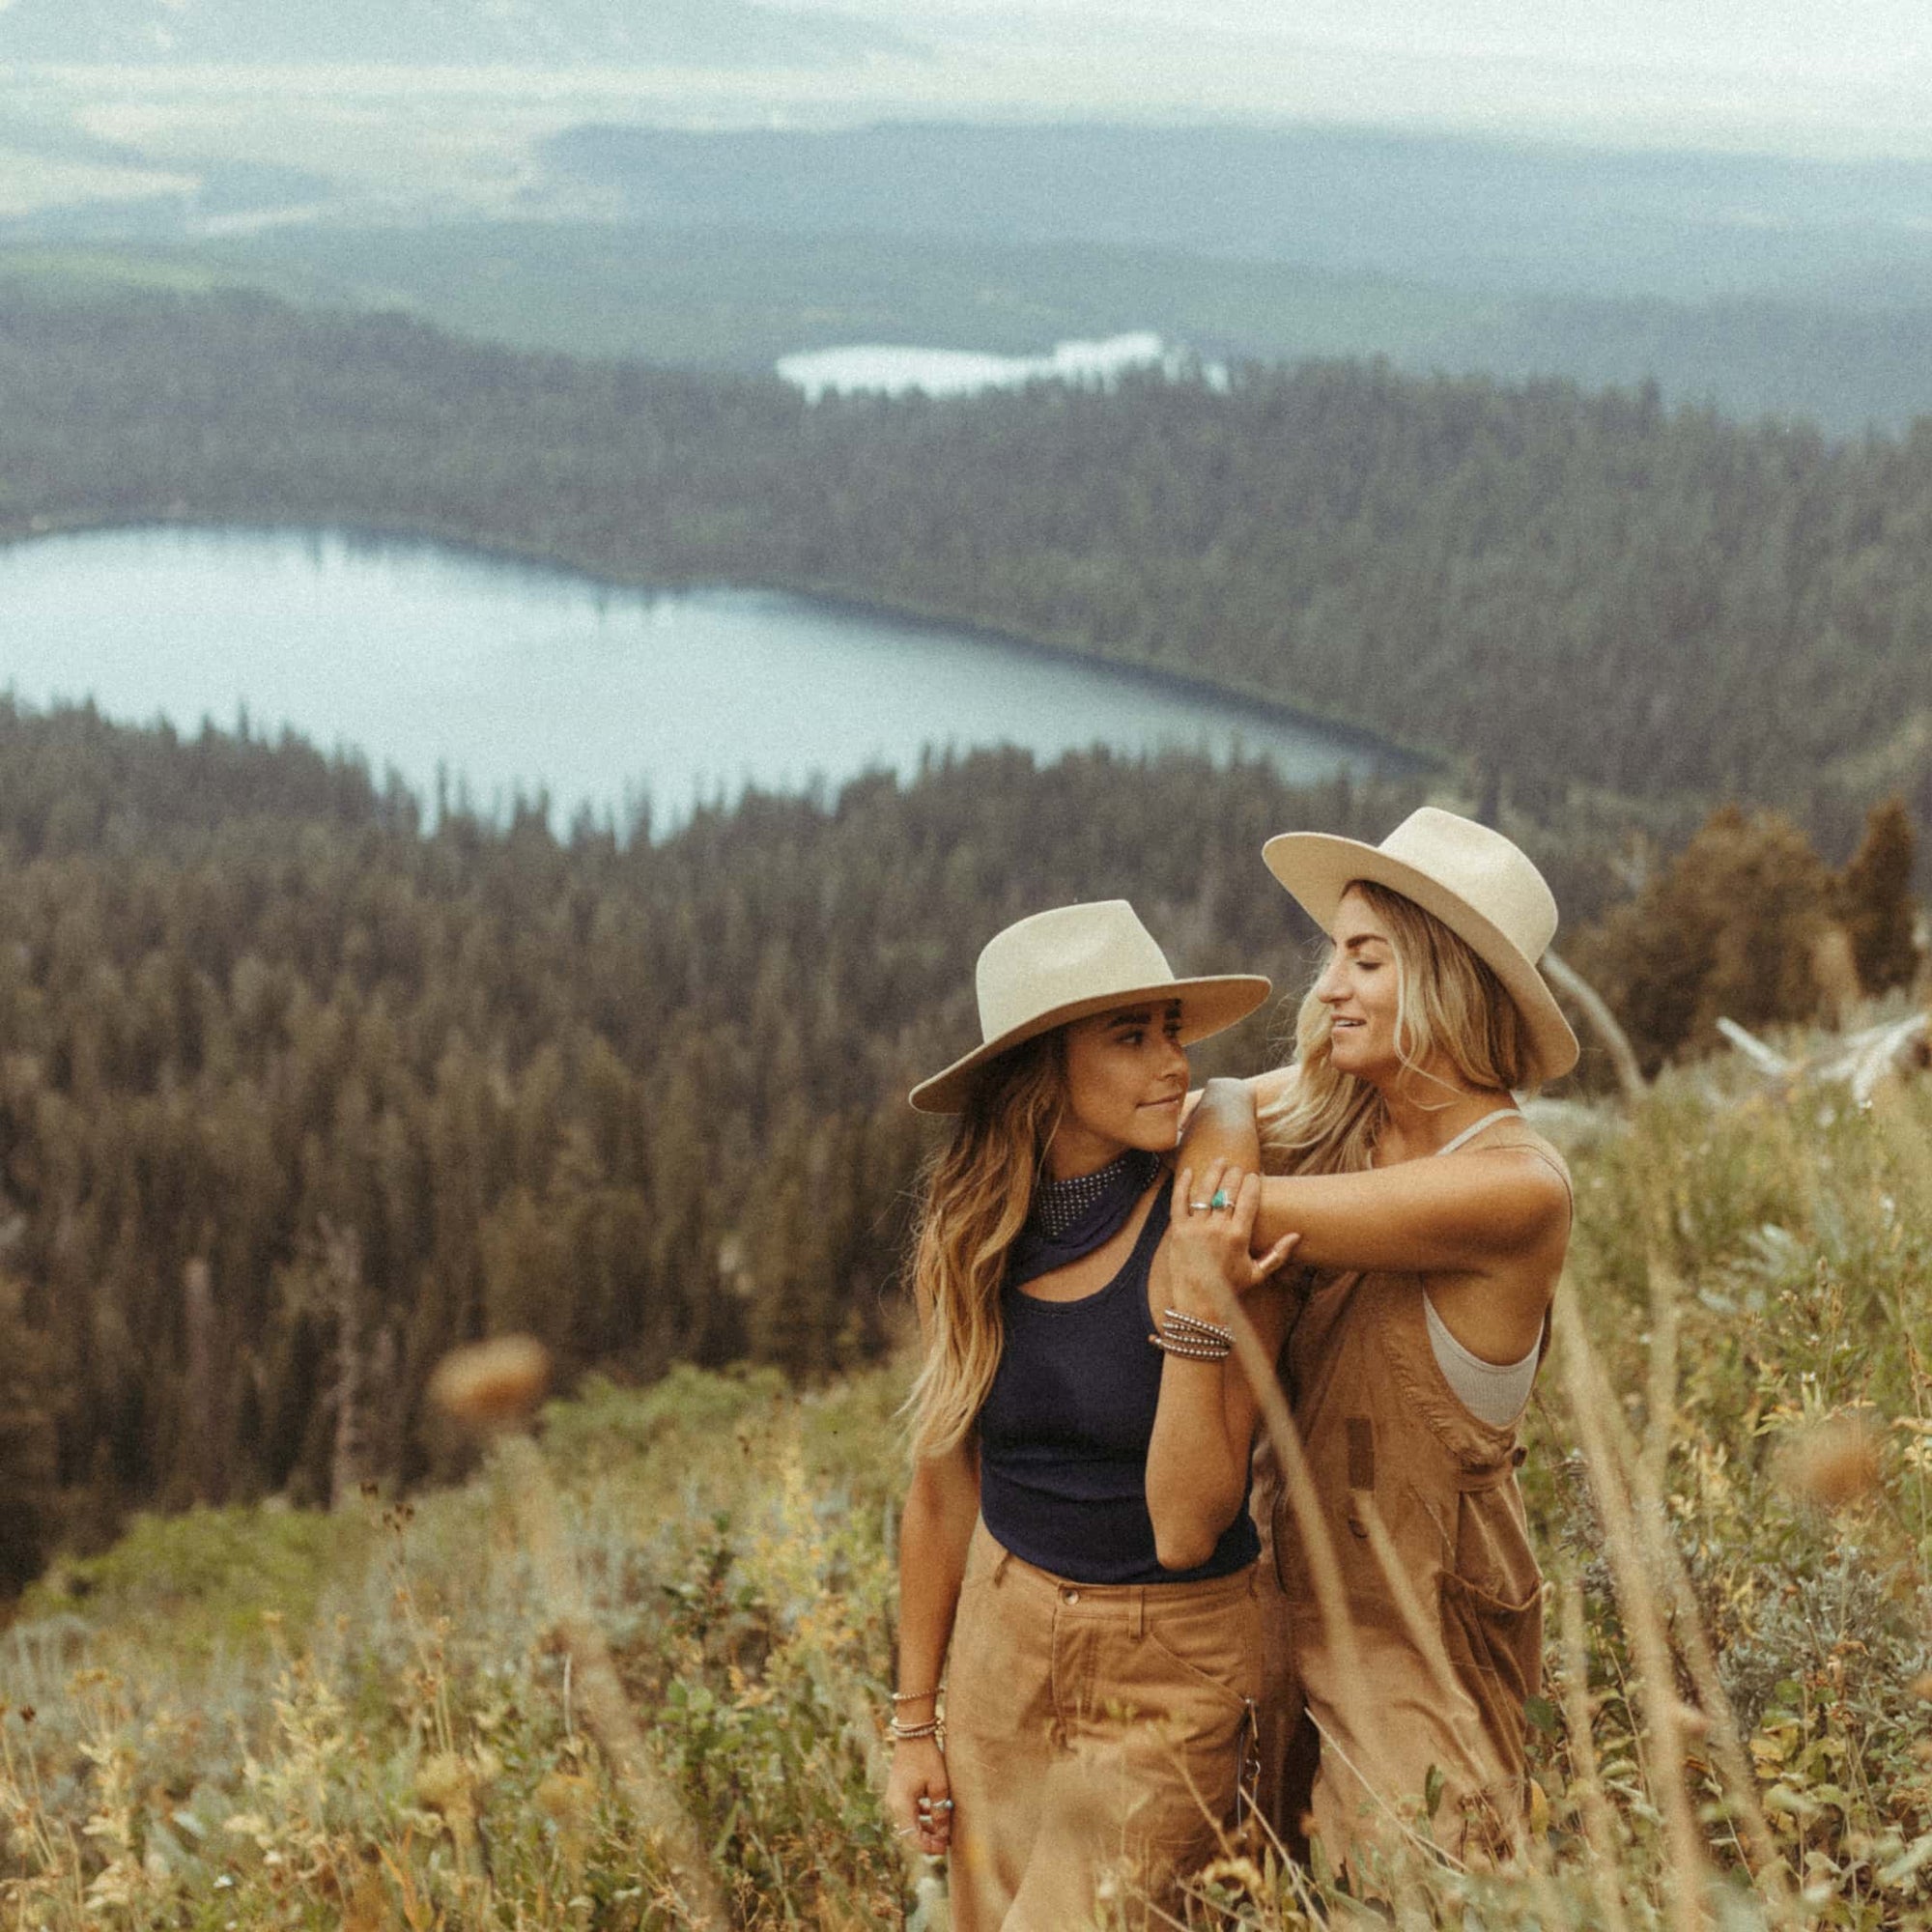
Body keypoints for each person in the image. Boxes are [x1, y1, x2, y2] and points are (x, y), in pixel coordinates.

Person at [883, 899, 1296, 1931]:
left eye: (1170, 1029)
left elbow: (1187, 1522)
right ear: (1038, 1068)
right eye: (1130, 1035)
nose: (1172, 1062)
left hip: (1174, 1665)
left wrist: (1200, 1301)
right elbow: (940, 1494)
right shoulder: (970, 1236)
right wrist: (910, 1723)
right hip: (1000, 1650)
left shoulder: (1218, 1221)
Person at [1183, 807, 1577, 1871]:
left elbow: (1229, 1203)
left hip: (1419, 1639)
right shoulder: (1349, 1111)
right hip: (1283, 1604)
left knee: (1421, 1884)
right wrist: (1233, 1119)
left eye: (1367, 959)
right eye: (1333, 957)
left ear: (1447, 978)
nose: (1326, 988)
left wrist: (1227, 1145)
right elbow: (1213, 1095)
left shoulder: (1512, 1186)